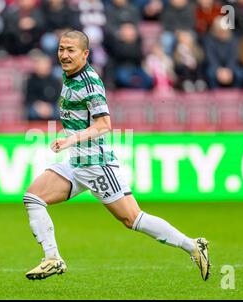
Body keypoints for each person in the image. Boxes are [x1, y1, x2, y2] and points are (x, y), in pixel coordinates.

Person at [23, 30, 211, 281]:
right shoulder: (69, 76)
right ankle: (53, 259)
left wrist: (70, 139)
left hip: (97, 164)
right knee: (33, 197)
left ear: (85, 54)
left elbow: (104, 125)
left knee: (133, 219)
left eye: (71, 50)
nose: (64, 55)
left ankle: (192, 245)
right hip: (78, 162)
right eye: (61, 49)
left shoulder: (90, 84)